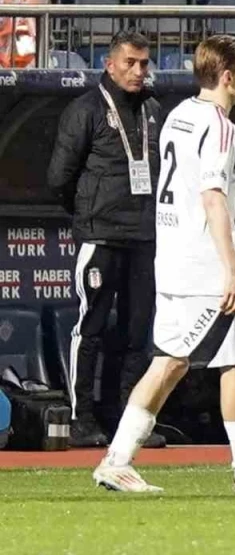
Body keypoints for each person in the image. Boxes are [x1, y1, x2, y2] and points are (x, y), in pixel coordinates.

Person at [92, 35, 235, 493]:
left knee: (193, 362)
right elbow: (212, 197)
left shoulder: (178, 115)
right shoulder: (220, 127)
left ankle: (122, 460)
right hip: (206, 264)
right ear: (227, 77)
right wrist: (232, 270)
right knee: (220, 363)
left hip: (174, 258)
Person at [47, 30, 162, 449]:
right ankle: (82, 419)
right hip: (100, 236)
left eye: (144, 63)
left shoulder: (154, 110)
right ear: (110, 65)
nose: (138, 71)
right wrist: (88, 214)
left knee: (137, 333)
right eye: (130, 62)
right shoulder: (86, 109)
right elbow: (59, 178)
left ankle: (126, 422)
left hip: (144, 236)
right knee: (90, 327)